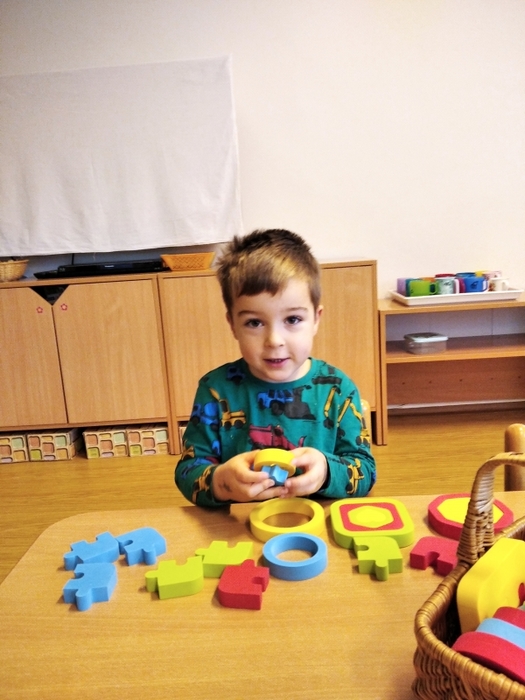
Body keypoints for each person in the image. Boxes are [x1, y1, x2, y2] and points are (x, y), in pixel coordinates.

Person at [175, 229, 376, 507]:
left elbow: (365, 470)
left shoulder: (338, 389)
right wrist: (222, 481)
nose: (274, 340)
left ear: (316, 319)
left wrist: (327, 472)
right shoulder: (215, 390)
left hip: (317, 523)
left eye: (292, 319)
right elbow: (188, 471)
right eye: (254, 323)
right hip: (240, 525)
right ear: (232, 324)